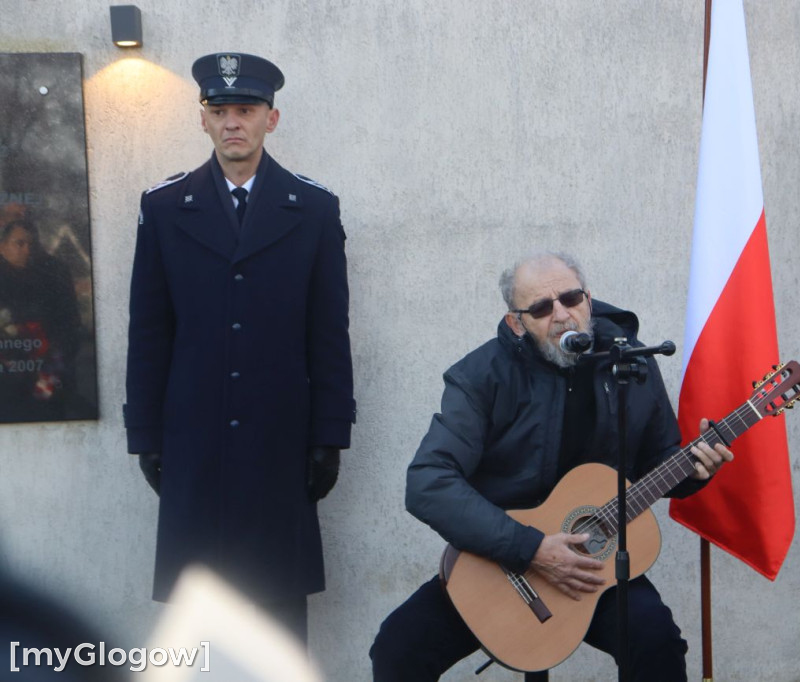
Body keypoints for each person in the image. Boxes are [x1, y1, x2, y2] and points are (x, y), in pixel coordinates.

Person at [370, 252, 733, 680]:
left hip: (593, 565)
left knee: (658, 644)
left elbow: (658, 459)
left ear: (589, 299)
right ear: (516, 323)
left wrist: (693, 471)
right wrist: (531, 549)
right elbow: (428, 482)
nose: (562, 315)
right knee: (398, 649)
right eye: (541, 308)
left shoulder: (631, 365)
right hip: (502, 564)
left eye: (571, 298)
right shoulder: (481, 376)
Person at [124, 52, 356, 644]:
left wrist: (329, 436)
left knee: (279, 622)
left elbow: (328, 331)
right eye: (219, 109)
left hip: (279, 441)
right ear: (202, 119)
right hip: (193, 441)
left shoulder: (313, 208)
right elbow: (149, 331)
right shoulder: (166, 206)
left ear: (270, 120)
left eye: (246, 110)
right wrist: (145, 437)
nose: (233, 121)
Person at [0, 219, 81, 422]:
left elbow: (69, 326)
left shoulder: (52, 275)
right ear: (2, 246)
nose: (27, 250)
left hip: (48, 379)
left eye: (32, 244)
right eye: (20, 243)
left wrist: (52, 367)